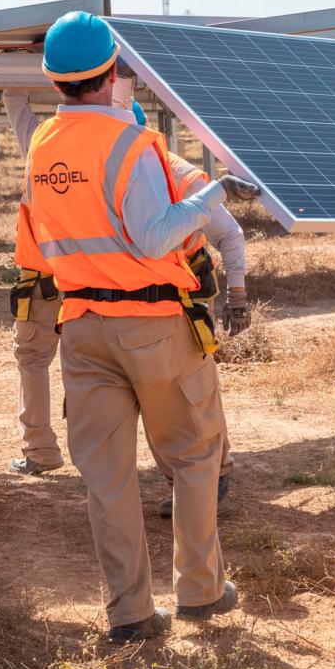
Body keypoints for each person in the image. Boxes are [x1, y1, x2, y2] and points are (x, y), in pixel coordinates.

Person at [20, 11, 260, 642]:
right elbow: (156, 237)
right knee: (195, 454)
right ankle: (201, 592)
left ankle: (129, 611)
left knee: (107, 477)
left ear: (54, 80)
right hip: (150, 322)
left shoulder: (42, 145)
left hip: (82, 325)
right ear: (110, 73)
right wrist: (213, 196)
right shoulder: (130, 143)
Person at [122, 97, 246, 519]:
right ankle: (184, 480)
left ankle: (216, 473)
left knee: (195, 389)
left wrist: (238, 295)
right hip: (146, 297)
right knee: (158, 394)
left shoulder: (178, 174)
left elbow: (230, 235)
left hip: (188, 291)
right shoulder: (121, 169)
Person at [0, 87, 64, 476]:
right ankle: (100, 456)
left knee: (33, 361)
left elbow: (13, 100)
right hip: (96, 282)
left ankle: (40, 451)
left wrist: (21, 63)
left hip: (44, 281)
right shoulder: (113, 151)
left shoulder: (42, 144)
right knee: (95, 367)